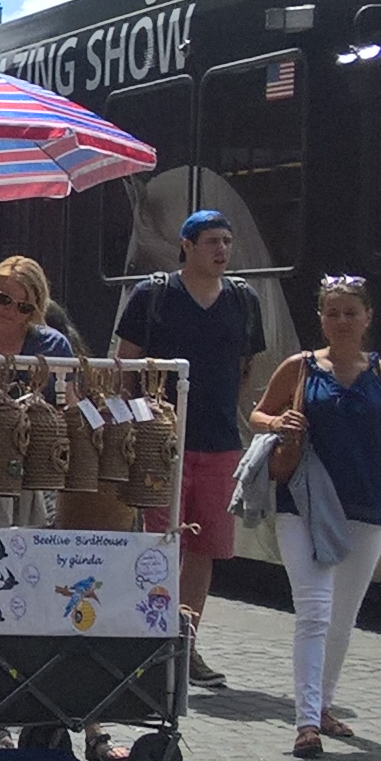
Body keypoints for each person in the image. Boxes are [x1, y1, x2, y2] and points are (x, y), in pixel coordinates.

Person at [249, 275, 381, 760]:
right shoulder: (301, 367)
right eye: (332, 313)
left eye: (350, 313)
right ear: (320, 318)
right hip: (304, 502)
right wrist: (278, 422)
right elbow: (257, 415)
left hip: (367, 506)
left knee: (342, 617)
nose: (341, 321)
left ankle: (323, 705)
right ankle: (306, 723)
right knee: (314, 611)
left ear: (368, 317)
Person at [115, 210, 267, 687]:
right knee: (160, 544)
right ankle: (148, 642)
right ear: (186, 245)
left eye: (227, 242)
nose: (222, 250)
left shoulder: (242, 300)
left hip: (220, 444)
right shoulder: (153, 295)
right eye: (212, 241)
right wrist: (137, 428)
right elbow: (124, 368)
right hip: (161, 446)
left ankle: (185, 646)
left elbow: (245, 368)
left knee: (204, 549)